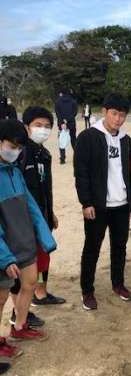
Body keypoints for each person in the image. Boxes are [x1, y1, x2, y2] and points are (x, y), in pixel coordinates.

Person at [74, 94, 131, 311]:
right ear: (104, 112)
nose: (118, 119)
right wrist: (86, 202)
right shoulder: (88, 137)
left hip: (122, 204)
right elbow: (81, 173)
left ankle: (118, 284)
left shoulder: (127, 141)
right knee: (92, 248)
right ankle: (87, 291)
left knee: (120, 247)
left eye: (122, 115)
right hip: (98, 206)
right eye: (114, 114)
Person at [0, 119, 56, 353]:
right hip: (4, 250)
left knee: (30, 282)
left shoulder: (15, 172)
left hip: (24, 242)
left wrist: (45, 237)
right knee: (1, 296)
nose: (15, 152)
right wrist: (5, 257)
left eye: (19, 148)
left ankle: (20, 326)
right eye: (12, 146)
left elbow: (31, 207)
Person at [8, 107, 65, 329]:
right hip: (24, 222)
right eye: (38, 125)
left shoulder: (44, 154)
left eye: (47, 126)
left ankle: (40, 294)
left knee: (42, 260)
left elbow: (45, 187)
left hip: (42, 217)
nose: (43, 130)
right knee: (24, 266)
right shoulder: (21, 153)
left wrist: (50, 212)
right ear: (27, 127)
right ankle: (18, 311)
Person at [55, 90, 78, 163]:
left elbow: (57, 113)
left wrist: (62, 121)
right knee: (73, 139)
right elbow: (75, 113)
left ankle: (62, 158)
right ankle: (77, 156)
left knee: (61, 140)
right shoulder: (73, 101)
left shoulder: (57, 102)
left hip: (61, 124)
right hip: (71, 123)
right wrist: (67, 120)